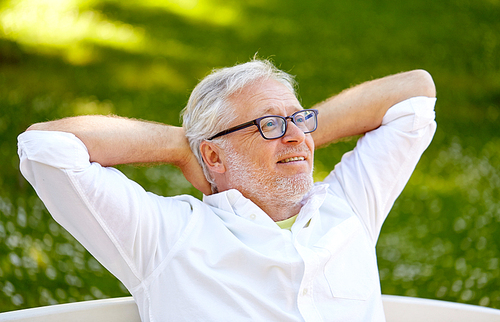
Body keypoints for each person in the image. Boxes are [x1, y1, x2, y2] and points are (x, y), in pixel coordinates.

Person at [18, 59, 437, 321]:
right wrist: (179, 148)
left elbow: (415, 93)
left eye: (301, 119)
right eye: (267, 124)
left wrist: (292, 134)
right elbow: (46, 149)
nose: (296, 135)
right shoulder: (169, 236)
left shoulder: (348, 206)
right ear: (214, 158)